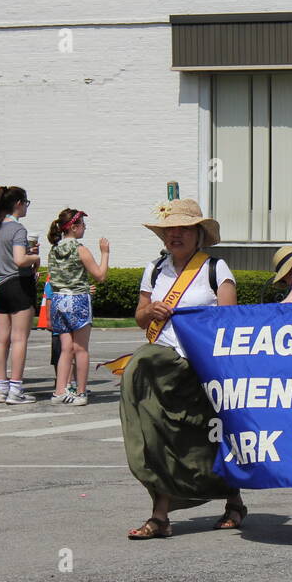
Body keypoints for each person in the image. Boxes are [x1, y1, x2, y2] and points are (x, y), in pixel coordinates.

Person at [124, 198, 248, 539]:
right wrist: (151, 313)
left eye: (183, 229)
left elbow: (229, 321)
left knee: (210, 438)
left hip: (204, 366)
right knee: (157, 438)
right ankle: (160, 515)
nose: (174, 235)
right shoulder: (154, 270)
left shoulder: (214, 269)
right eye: (169, 230)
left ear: (198, 235)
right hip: (164, 364)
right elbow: (139, 316)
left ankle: (233, 499)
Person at [46, 208, 109, 405]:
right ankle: (81, 392)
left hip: (58, 300)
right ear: (74, 227)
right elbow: (100, 275)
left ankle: (59, 390)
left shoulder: (54, 250)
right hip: (78, 300)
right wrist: (105, 253)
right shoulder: (80, 249)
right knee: (80, 349)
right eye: (82, 225)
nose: (84, 228)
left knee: (66, 348)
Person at [0, 186, 41, 404]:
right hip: (18, 284)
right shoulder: (18, 230)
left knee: (1, 339)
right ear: (18, 203)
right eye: (26, 203)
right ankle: (16, 389)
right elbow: (20, 260)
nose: (27, 207)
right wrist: (34, 258)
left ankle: (1, 388)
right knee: (19, 339)